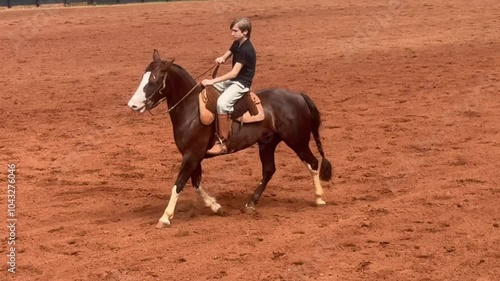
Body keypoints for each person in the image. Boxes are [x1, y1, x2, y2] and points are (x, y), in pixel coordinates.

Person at [202, 17, 256, 155]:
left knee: (222, 103)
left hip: (241, 83)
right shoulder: (237, 43)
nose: (232, 34)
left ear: (245, 32)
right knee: (208, 89)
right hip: (234, 80)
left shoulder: (246, 49)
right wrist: (221, 58)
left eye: (235, 31)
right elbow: (227, 55)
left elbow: (233, 73)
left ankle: (222, 142)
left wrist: (213, 81)